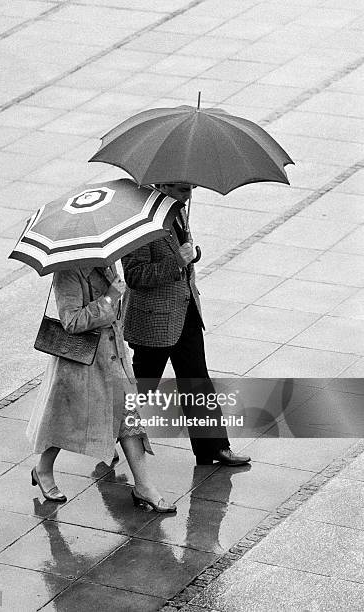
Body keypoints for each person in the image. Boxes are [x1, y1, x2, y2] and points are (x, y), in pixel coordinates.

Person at [27, 265, 176, 513]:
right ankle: (43, 469)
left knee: (130, 420)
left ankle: (144, 486)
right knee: (65, 423)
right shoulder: (68, 272)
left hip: (113, 358)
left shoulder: (106, 261)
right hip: (82, 364)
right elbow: (71, 321)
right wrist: (109, 297)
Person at [122, 183, 250, 466]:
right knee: (142, 388)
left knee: (198, 382)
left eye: (190, 188)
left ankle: (214, 448)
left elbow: (181, 256)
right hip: (154, 321)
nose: (188, 195)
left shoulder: (178, 211)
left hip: (186, 310)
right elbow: (134, 275)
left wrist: (192, 256)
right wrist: (177, 262)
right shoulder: (142, 219)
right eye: (181, 189)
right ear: (162, 184)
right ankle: (108, 437)